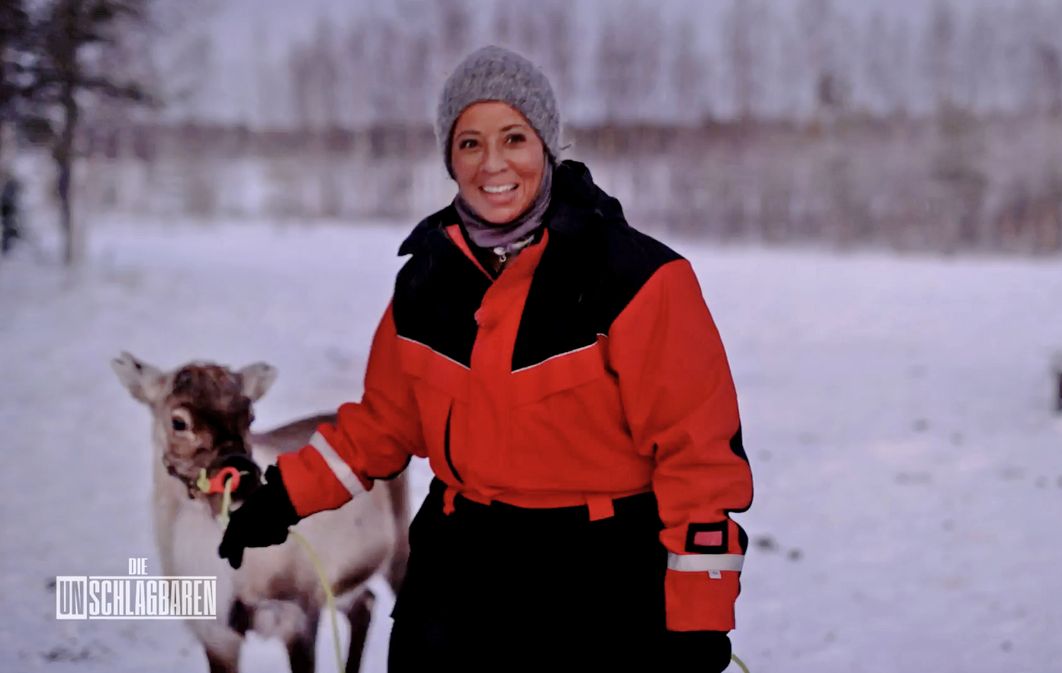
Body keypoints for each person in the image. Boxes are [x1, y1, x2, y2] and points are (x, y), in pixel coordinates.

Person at [218, 45, 753, 672]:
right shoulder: (424, 283)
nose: (492, 163)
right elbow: (382, 427)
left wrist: (697, 618)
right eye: (469, 143)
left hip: (599, 586)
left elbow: (701, 461)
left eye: (513, 138)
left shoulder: (638, 280)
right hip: (456, 582)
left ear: (547, 145)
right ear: (450, 157)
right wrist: (280, 498)